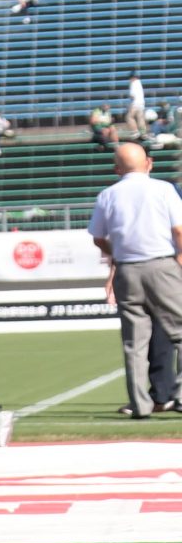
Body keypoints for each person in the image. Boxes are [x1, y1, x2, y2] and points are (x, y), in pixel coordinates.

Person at [87, 141, 182, 419]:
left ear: (117, 169)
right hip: (161, 265)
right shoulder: (163, 189)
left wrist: (116, 252)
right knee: (179, 331)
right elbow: (178, 229)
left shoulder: (108, 195)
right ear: (148, 163)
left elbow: (98, 237)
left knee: (134, 342)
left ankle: (140, 405)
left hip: (127, 268)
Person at [125, 72, 146, 138]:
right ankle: (143, 132)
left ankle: (135, 131)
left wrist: (130, 104)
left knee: (129, 117)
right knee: (140, 118)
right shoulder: (139, 83)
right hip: (141, 103)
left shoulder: (133, 83)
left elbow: (132, 96)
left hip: (135, 103)